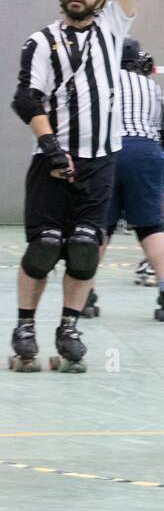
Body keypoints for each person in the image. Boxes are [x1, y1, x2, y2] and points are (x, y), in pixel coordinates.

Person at [8, 0, 154, 372]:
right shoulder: (41, 42)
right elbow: (27, 98)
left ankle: (69, 327)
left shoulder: (114, 28)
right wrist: (49, 147)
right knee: (45, 246)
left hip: (100, 159)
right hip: (53, 161)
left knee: (86, 249)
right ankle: (25, 325)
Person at [84, 38, 164, 320]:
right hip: (147, 151)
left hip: (108, 151)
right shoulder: (152, 87)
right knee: (151, 227)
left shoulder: (101, 80)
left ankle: (84, 295)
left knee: (100, 227)